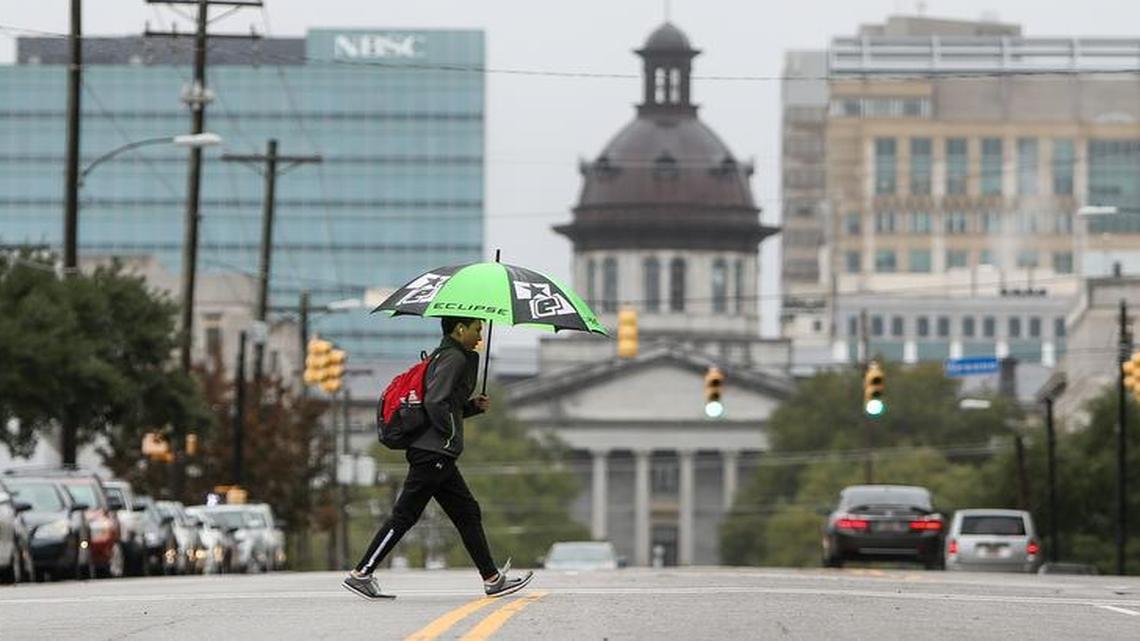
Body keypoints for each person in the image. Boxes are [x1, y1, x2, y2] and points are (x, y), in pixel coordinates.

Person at [343, 316, 533, 600]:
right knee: (405, 515)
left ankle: (492, 578)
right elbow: (434, 402)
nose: (480, 337)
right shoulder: (453, 358)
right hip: (433, 452)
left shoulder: (447, 356)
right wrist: (451, 432)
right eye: (476, 329)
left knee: (467, 512)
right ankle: (361, 573)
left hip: (436, 452)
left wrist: (471, 408)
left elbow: (445, 403)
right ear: (460, 329)